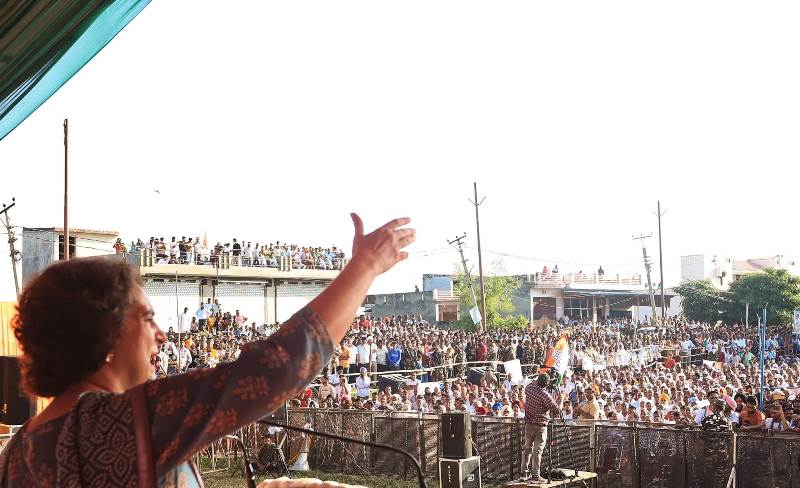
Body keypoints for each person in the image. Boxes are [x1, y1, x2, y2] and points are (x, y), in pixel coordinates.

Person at [0, 213, 414, 487]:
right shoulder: (115, 422)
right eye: (146, 319)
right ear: (104, 334)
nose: (161, 335)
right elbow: (275, 368)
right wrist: (365, 267)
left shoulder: (17, 454)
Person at [521, 373, 563, 483]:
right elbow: (556, 410)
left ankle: (523, 473)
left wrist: (538, 380)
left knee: (527, 449)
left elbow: (531, 382)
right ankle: (535, 475)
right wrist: (561, 399)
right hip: (540, 426)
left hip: (529, 424)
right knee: (537, 451)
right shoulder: (545, 395)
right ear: (547, 384)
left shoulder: (529, 389)